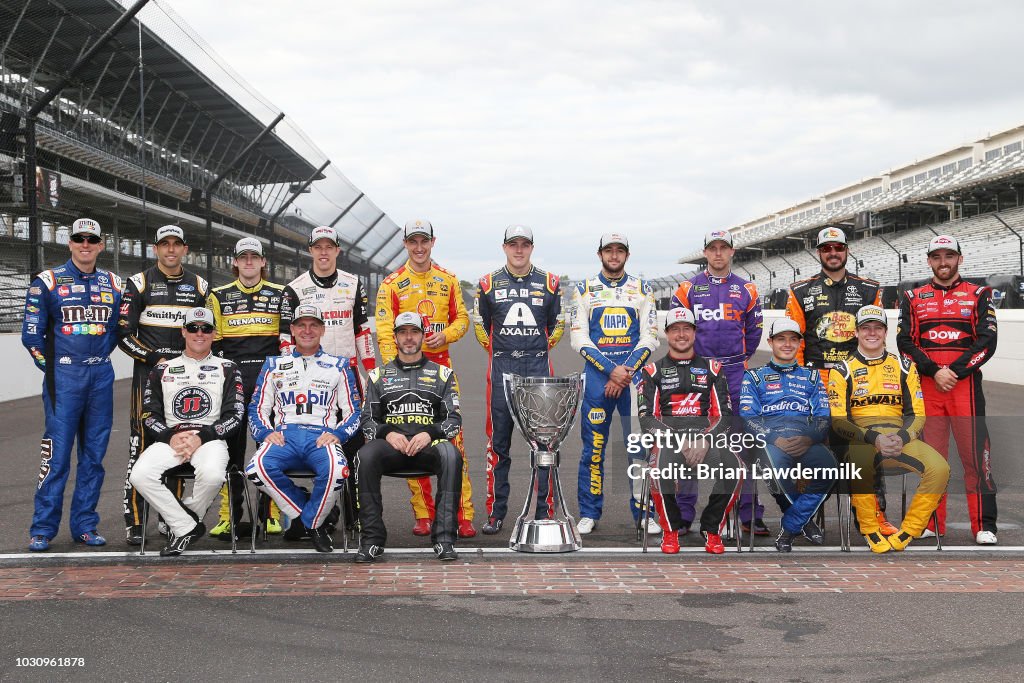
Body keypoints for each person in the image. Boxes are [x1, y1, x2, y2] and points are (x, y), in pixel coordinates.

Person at [785, 225, 895, 536]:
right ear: (818, 253)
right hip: (816, 383)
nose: (833, 253)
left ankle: (872, 516)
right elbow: (795, 341)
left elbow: (876, 339)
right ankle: (808, 518)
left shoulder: (869, 289)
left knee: (865, 449)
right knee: (810, 453)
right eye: (826, 249)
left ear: (847, 250)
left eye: (838, 248)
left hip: (857, 382)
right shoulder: (799, 291)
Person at [22, 218, 123, 551]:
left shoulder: (114, 283)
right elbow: (31, 336)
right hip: (63, 378)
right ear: (69, 243)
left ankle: (84, 525)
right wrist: (54, 368)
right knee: (57, 457)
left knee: (94, 457)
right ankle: (43, 528)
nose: (85, 244)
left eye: (91, 239)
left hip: (100, 376)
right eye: (78, 238)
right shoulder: (47, 281)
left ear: (101, 244)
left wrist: (94, 360)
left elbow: (115, 332)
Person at [375, 219, 475, 538]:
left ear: (433, 242)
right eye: (413, 242)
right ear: (405, 244)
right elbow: (383, 331)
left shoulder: (448, 279)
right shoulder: (392, 283)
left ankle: (463, 514)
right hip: (405, 373)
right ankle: (424, 513)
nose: (419, 248)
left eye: (424, 241)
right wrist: (396, 369)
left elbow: (463, 319)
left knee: (453, 440)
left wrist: (445, 334)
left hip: (442, 370)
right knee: (410, 440)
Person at [897, 234, 998, 544]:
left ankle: (984, 525)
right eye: (937, 256)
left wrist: (953, 372)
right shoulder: (913, 297)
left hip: (964, 386)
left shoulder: (979, 293)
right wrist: (932, 371)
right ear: (929, 261)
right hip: (927, 386)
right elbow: (904, 342)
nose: (944, 262)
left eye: (949, 256)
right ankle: (931, 522)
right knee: (932, 460)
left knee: (975, 459)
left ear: (959, 259)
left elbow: (988, 341)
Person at [828, 305, 950, 553]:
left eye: (877, 328)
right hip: (863, 439)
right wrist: (874, 439)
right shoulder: (841, 370)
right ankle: (870, 529)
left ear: (886, 332)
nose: (871, 333)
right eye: (866, 328)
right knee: (858, 462)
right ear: (856, 332)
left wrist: (902, 437)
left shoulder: (905, 366)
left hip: (899, 439)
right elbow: (839, 421)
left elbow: (917, 414)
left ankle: (909, 530)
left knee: (940, 468)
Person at [281, 226, 376, 540]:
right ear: (310, 251)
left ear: (337, 251)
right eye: (318, 247)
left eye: (329, 247)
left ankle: (357, 514)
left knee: (354, 448)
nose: (323, 252)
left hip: (348, 375)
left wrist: (373, 372)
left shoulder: (353, 284)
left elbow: (362, 331)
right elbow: (285, 340)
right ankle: (323, 512)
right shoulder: (294, 289)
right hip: (311, 381)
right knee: (316, 444)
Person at [128, 308, 245, 556]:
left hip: (210, 439)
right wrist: (171, 437)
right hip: (172, 438)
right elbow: (148, 414)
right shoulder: (162, 369)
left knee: (213, 475)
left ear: (214, 333)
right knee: (139, 475)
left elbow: (235, 416)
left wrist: (200, 438)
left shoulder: (228, 367)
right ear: (183, 332)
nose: (199, 334)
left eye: (206, 329)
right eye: (193, 328)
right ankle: (185, 526)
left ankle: (185, 520)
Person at [119, 225, 209, 545]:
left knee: (178, 446)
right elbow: (124, 335)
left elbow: (205, 333)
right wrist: (154, 358)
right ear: (155, 249)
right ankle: (134, 519)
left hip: (184, 381)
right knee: (140, 447)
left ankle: (170, 518)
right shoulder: (139, 282)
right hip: (149, 379)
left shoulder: (199, 285)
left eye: (176, 244)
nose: (170, 250)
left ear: (185, 249)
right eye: (164, 244)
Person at [670, 230, 765, 534]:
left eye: (724, 248)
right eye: (713, 248)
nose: (719, 253)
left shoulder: (747, 289)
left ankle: (748, 511)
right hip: (697, 372)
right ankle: (684, 513)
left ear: (732, 252)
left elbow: (753, 335)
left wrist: (735, 360)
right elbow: (678, 331)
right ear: (705, 253)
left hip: (736, 372)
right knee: (690, 441)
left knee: (740, 445)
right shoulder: (687, 288)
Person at [246, 304, 361, 553]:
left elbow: (355, 411)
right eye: (301, 325)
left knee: (338, 471)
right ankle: (316, 519)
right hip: (284, 436)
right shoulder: (274, 364)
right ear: (292, 330)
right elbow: (257, 408)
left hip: (321, 436)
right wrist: (266, 433)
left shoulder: (339, 365)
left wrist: (338, 434)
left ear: (322, 330)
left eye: (313, 325)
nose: (307, 330)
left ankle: (308, 521)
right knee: (256, 470)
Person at [473, 225, 564, 534]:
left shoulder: (550, 282)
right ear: (504, 247)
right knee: (498, 446)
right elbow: (482, 328)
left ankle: (543, 510)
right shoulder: (487, 283)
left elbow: (556, 327)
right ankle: (496, 512)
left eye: (525, 244)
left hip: (538, 372)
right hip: (501, 372)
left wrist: (534, 351)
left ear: (532, 247)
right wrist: (504, 354)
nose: (519, 249)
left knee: (544, 446)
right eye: (514, 244)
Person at [356, 311, 464, 563]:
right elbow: (367, 420)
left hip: (427, 447)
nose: (408, 338)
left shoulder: (443, 374)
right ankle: (371, 540)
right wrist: (387, 433)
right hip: (392, 449)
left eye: (414, 332)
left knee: (451, 454)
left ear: (422, 336)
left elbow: (453, 420)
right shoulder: (378, 376)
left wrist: (430, 433)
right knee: (365, 455)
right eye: (402, 332)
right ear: (395, 337)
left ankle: (444, 539)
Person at [570, 231, 659, 534]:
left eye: (619, 250)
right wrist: (611, 370)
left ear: (627, 255)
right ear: (600, 254)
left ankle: (644, 512)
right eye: (609, 250)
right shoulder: (584, 290)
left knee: (638, 448)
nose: (614, 255)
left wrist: (626, 371)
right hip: (597, 380)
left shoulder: (643, 290)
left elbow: (650, 337)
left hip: (632, 381)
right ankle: (589, 512)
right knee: (592, 449)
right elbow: (578, 337)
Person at [637, 308, 742, 554]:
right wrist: (678, 441)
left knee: (736, 469)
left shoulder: (714, 369)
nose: (681, 334)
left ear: (695, 333)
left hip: (706, 440)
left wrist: (705, 440)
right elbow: (646, 419)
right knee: (657, 469)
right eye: (675, 329)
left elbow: (725, 414)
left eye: (686, 329)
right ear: (667, 334)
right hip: (670, 442)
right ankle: (671, 531)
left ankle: (712, 528)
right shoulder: (652, 371)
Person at [206, 237, 286, 539]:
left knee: (273, 447)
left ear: (263, 262)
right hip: (233, 382)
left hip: (271, 382)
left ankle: (272, 512)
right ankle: (229, 515)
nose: (249, 262)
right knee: (231, 452)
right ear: (235, 262)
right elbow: (214, 345)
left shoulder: (281, 294)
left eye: (255, 257)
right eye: (244, 257)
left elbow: (287, 342)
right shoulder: (219, 295)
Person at [739, 318, 837, 552]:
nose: (787, 344)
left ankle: (792, 524)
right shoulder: (753, 376)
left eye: (793, 339)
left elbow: (824, 415)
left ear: (800, 344)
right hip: (770, 440)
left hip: (805, 439)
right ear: (771, 342)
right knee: (775, 471)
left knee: (831, 469)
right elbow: (747, 416)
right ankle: (804, 524)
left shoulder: (812, 377)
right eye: (781, 339)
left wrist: (809, 438)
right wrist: (775, 439)